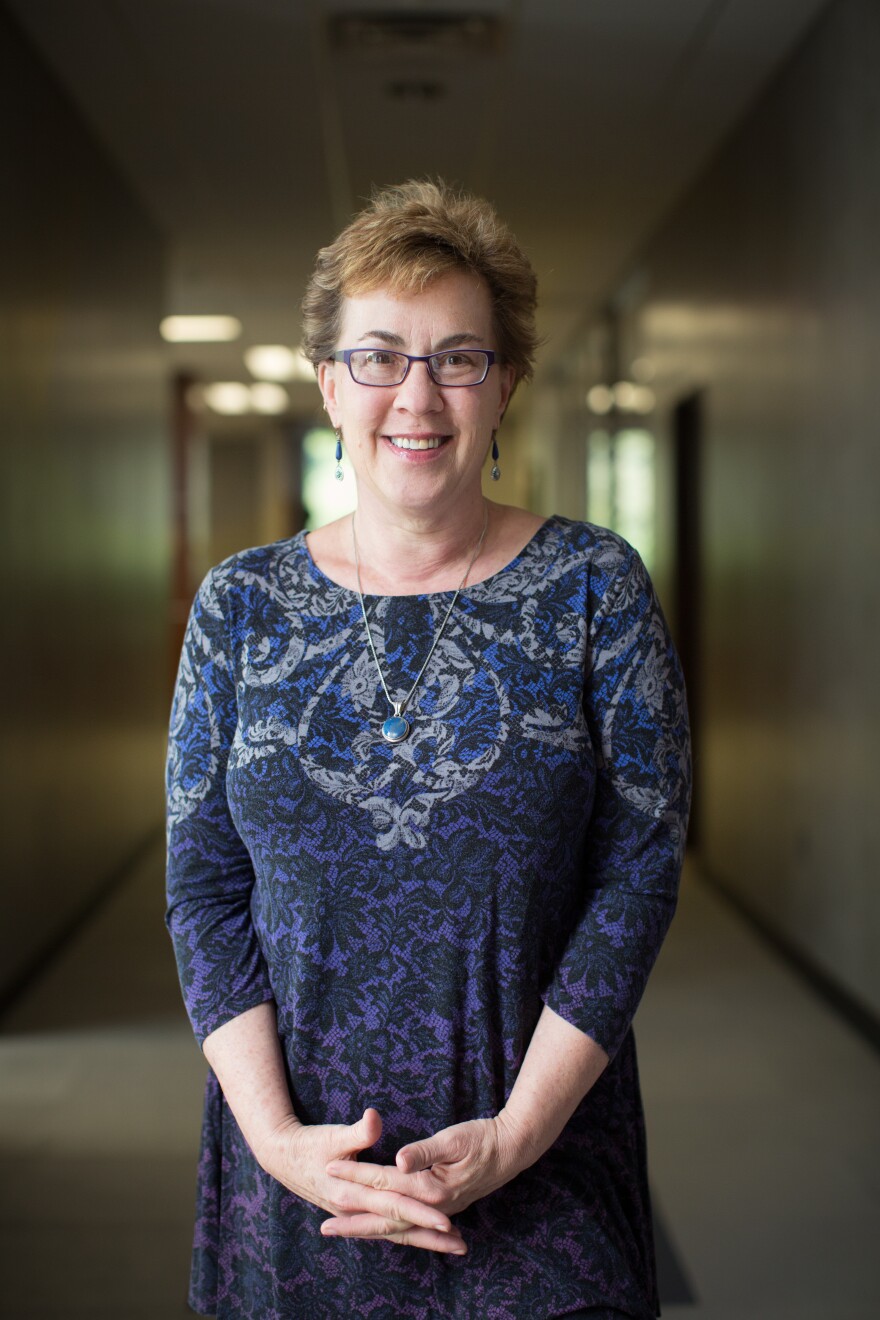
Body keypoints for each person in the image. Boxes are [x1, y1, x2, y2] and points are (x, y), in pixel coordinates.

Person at [166, 179, 691, 1320]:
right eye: (376, 356)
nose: (416, 394)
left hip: (538, 1169)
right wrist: (276, 1140)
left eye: (458, 356)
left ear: (504, 385)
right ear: (325, 384)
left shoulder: (592, 590)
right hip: (297, 1180)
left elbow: (639, 870)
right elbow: (203, 887)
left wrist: (519, 1133)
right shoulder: (240, 608)